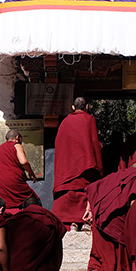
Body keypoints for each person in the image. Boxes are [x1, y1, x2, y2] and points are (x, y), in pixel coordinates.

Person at [82, 161, 136, 271]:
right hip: (118, 222)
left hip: (100, 220)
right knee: (120, 257)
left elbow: (92, 188)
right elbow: (135, 202)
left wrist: (89, 210)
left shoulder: (114, 176)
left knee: (101, 254)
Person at [53, 96, 103, 230]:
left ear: (73, 108)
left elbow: (59, 144)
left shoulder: (64, 122)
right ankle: (86, 221)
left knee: (69, 195)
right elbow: (94, 144)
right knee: (86, 192)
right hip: (86, 166)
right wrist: (99, 166)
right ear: (87, 107)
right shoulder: (89, 120)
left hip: (68, 167)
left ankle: (72, 223)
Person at [0, 129, 39, 213]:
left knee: (1, 204)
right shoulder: (16, 145)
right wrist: (31, 173)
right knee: (33, 199)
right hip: (11, 181)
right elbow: (23, 161)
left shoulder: (0, 149)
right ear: (17, 138)